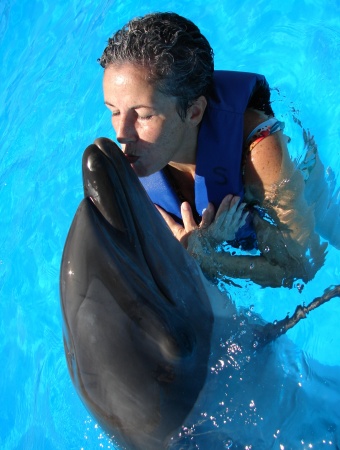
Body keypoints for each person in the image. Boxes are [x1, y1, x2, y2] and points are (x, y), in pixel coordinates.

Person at [99, 12, 327, 288]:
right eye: (114, 111)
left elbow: (302, 266)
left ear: (194, 112)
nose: (122, 133)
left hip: (300, 186)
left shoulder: (259, 151)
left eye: (144, 115)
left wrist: (204, 258)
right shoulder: (133, 155)